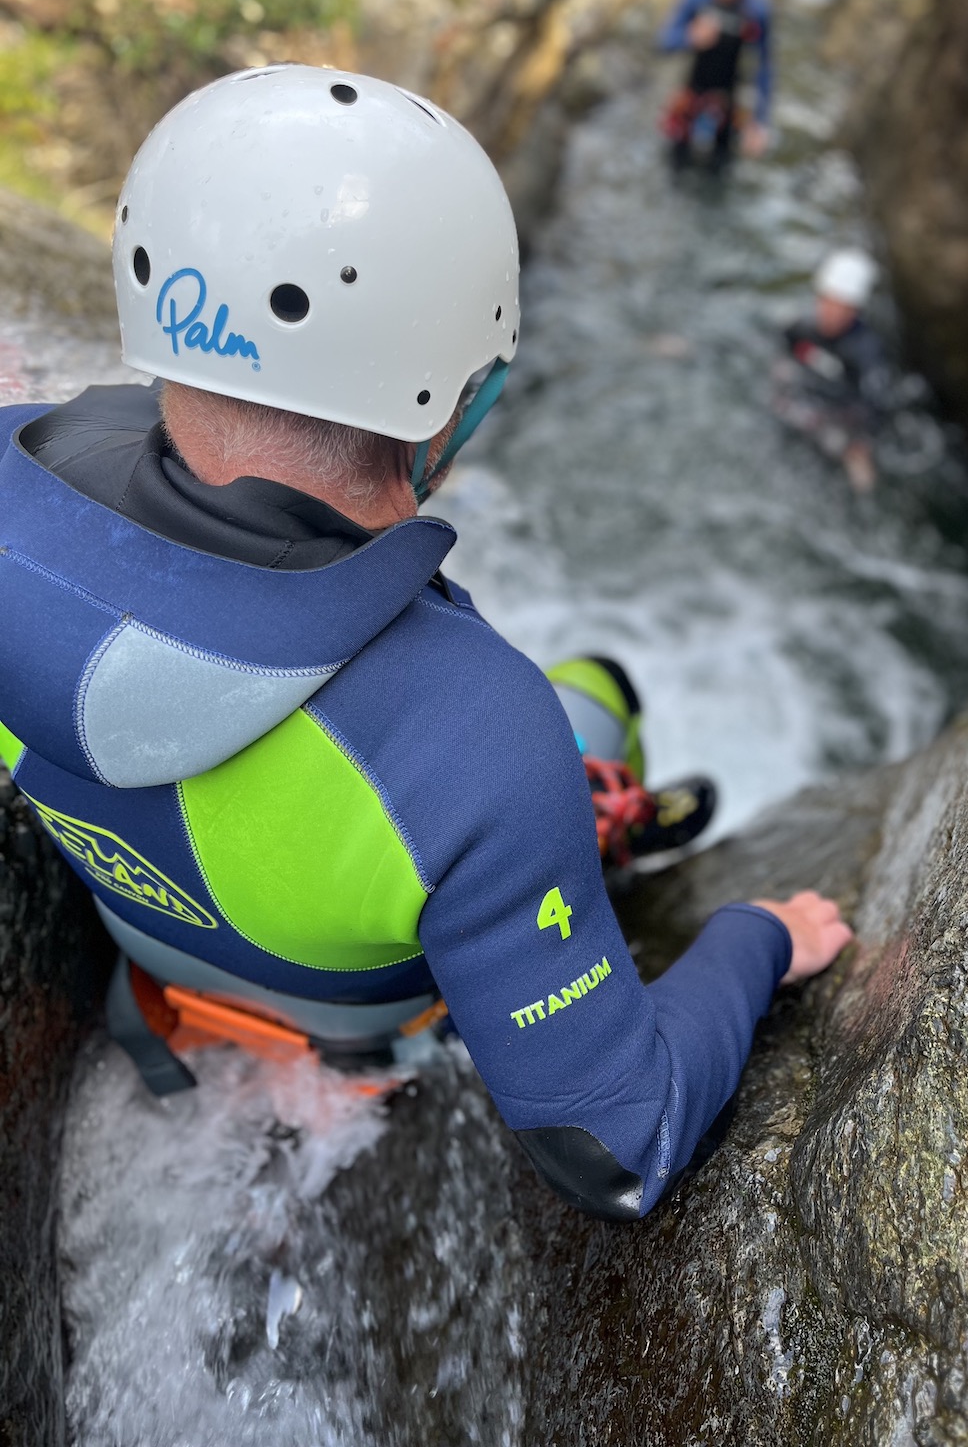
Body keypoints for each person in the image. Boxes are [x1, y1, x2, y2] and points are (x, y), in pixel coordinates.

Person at [0, 66, 851, 1220]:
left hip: (153, 947)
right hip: (367, 1020)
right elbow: (619, 1143)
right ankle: (602, 822)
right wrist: (758, 941)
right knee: (594, 691)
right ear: (454, 394)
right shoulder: (479, 729)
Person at [772, 247, 890, 494]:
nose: (830, 313)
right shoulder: (801, 327)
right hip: (808, 395)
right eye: (827, 301)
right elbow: (784, 351)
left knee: (844, 452)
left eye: (841, 306)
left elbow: (876, 404)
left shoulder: (866, 352)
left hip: (842, 412)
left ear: (855, 310)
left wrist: (858, 443)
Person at [658, 0, 772, 170]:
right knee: (676, 164)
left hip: (729, 100)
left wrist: (760, 121)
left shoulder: (757, 10)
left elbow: (764, 66)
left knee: (719, 167)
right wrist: (690, 37)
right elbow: (663, 42)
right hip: (692, 92)